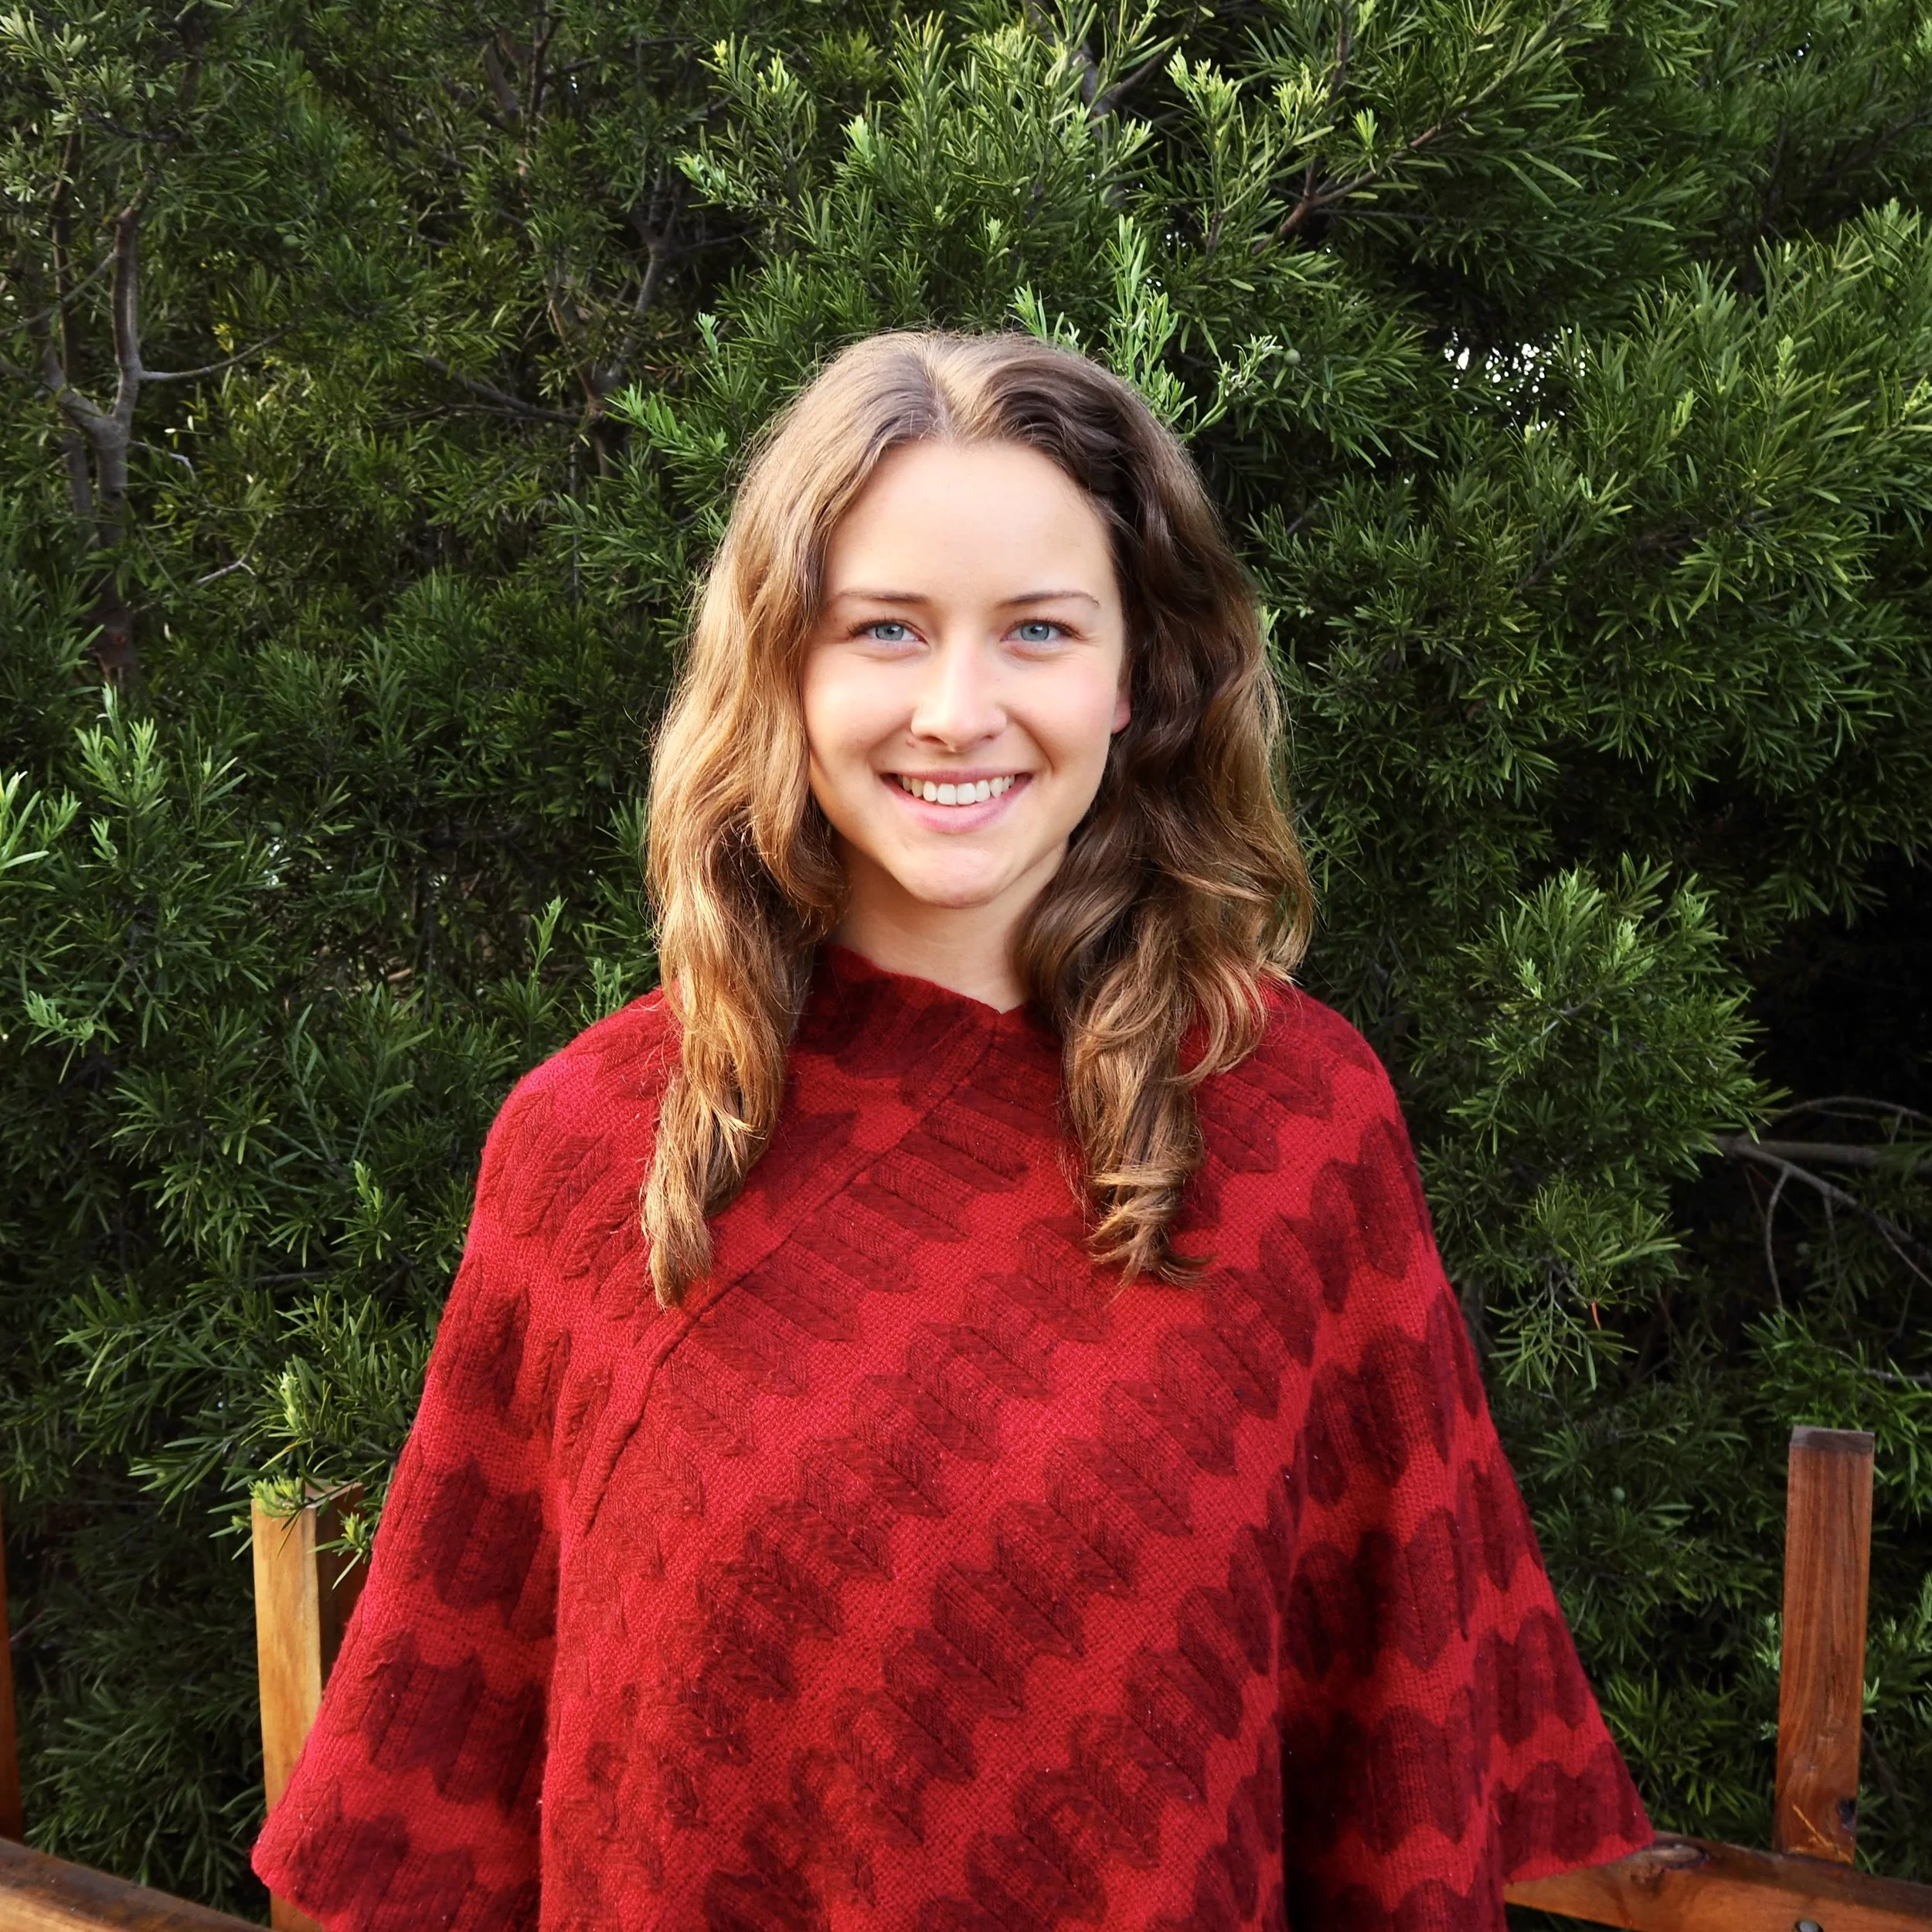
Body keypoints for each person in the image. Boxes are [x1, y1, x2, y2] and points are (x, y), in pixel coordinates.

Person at [252, 331, 1651, 1932]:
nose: (955, 707)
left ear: (1138, 674)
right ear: (785, 663)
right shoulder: (594, 1150)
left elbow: (1393, 1777)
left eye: (1037, 630)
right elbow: (458, 1807)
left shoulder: (1291, 1120)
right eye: (885, 630)